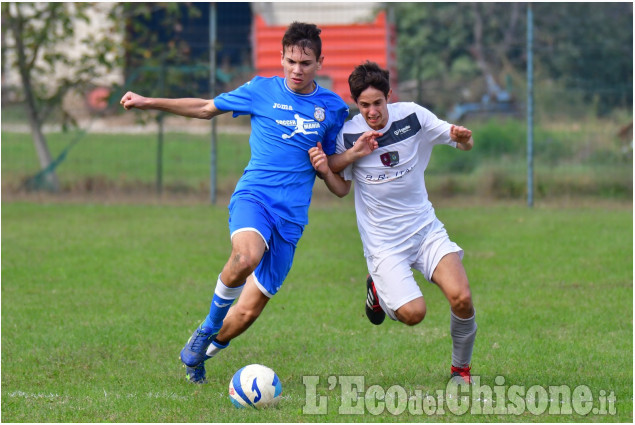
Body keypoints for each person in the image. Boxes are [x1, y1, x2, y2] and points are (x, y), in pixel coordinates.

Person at [120, 22, 349, 384]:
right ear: (281, 58)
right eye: (291, 61)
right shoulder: (261, 89)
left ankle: (200, 356)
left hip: (291, 217)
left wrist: (327, 169)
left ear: (320, 62)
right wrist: (147, 101)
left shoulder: (334, 109)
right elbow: (205, 108)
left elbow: (339, 186)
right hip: (254, 196)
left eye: (305, 63)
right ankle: (206, 326)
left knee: (246, 315)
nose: (297, 70)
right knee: (246, 257)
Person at [309, 61, 477, 385]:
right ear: (356, 103)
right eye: (364, 105)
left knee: (463, 297)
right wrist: (329, 169)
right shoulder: (349, 134)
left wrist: (464, 139)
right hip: (384, 245)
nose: (372, 111)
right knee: (414, 314)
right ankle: (377, 285)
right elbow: (342, 189)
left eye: (378, 103)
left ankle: (461, 371)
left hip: (425, 230)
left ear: (389, 96)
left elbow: (462, 143)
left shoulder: (413, 117)